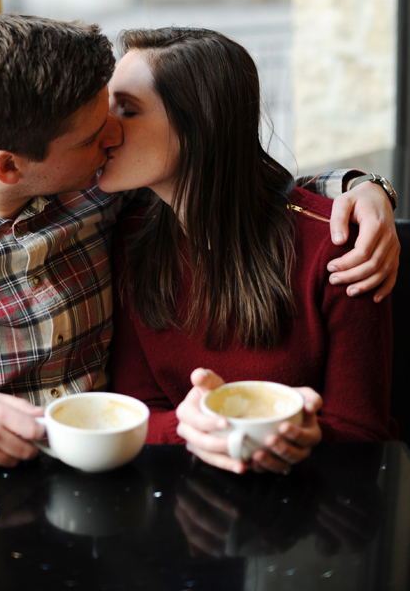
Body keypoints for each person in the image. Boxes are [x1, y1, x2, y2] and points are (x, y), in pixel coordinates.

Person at [0, 15, 398, 468]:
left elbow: (234, 178)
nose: (110, 139)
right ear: (9, 168)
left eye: (117, 112)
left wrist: (363, 189)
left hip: (117, 486)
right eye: (96, 129)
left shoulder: (101, 188)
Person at [100, 27, 396, 475]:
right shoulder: (128, 235)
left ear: (197, 124)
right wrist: (191, 429)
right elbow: (141, 408)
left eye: (128, 110)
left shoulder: (338, 247)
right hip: (183, 496)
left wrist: (307, 437)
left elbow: (361, 431)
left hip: (314, 504)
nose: (104, 129)